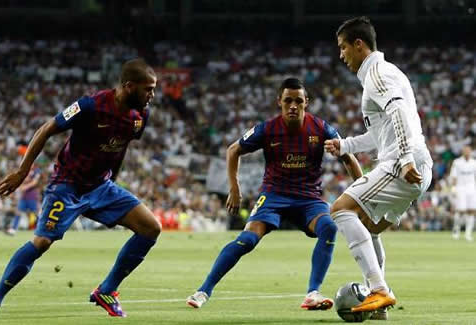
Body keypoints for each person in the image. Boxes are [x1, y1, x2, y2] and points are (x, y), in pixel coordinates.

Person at [0, 58, 161, 318]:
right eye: (148, 89)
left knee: (151, 228)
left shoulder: (139, 117)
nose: (152, 95)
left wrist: (114, 178)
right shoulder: (89, 105)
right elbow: (46, 129)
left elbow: (121, 145)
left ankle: (107, 290)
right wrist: (22, 172)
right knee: (42, 242)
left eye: (153, 89)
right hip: (66, 185)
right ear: (128, 86)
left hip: (101, 186)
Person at [186, 78, 363, 310]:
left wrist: (363, 194)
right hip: (274, 196)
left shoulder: (321, 129)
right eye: (287, 100)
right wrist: (234, 188)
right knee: (247, 240)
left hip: (308, 199)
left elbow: (348, 157)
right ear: (278, 101)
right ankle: (203, 291)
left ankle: (313, 293)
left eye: (298, 101)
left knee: (329, 227)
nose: (293, 105)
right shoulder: (267, 129)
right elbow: (233, 150)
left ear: (306, 103)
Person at [325, 16, 433, 319]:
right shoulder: (386, 72)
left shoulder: (377, 75)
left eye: (343, 47)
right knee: (369, 227)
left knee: (341, 210)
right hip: (415, 161)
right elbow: (380, 132)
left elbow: (398, 112)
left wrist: (404, 158)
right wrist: (346, 146)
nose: (341, 55)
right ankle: (379, 310)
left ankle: (378, 288)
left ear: (359, 45)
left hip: (404, 163)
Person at [449, 145, 475, 241]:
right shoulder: (457, 162)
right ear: (462, 152)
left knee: (472, 211)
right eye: (465, 151)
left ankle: (468, 233)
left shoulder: (474, 163)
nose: (467, 152)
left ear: (471, 152)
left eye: (469, 151)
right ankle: (456, 230)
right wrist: (453, 187)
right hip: (461, 188)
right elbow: (454, 176)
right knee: (460, 211)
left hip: (471, 188)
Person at [6, 165, 41, 235]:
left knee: (36, 213)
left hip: (32, 196)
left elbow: (35, 182)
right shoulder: (24, 170)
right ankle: (13, 229)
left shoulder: (37, 171)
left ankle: (41, 228)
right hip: (23, 196)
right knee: (18, 212)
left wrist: (25, 187)